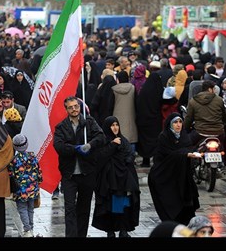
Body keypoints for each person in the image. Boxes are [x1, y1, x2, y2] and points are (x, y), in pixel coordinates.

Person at [53, 96, 105, 237]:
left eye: (76, 106)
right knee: (69, 208)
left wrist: (90, 145)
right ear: (66, 109)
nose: (74, 109)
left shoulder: (89, 122)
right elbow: (58, 146)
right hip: (69, 174)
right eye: (70, 107)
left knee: (84, 208)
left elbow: (101, 137)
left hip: (87, 173)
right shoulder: (61, 126)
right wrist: (74, 148)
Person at [92, 116, 140, 238]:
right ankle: (110, 230)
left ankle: (123, 229)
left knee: (124, 204)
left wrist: (128, 159)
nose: (115, 127)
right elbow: (100, 157)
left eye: (116, 125)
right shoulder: (103, 141)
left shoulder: (123, 140)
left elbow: (130, 154)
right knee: (109, 205)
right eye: (112, 125)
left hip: (123, 179)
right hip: (109, 180)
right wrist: (112, 145)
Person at [148, 113, 200, 225]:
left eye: (180, 122)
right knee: (171, 203)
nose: (178, 125)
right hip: (166, 175)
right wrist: (185, 155)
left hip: (182, 176)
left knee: (187, 205)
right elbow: (166, 156)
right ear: (170, 124)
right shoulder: (164, 137)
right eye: (175, 122)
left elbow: (188, 148)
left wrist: (194, 153)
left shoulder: (184, 136)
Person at [8, 134, 42, 238]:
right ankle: (30, 228)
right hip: (32, 188)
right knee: (31, 208)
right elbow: (39, 171)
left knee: (22, 209)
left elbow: (11, 175)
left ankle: (27, 230)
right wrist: (39, 181)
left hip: (20, 190)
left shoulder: (13, 160)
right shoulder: (32, 156)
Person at [184, 80, 226, 146]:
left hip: (200, 133)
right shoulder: (219, 100)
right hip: (218, 133)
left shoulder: (193, 101)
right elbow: (224, 116)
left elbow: (189, 118)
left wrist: (185, 130)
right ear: (210, 89)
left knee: (188, 145)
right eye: (214, 89)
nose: (215, 91)